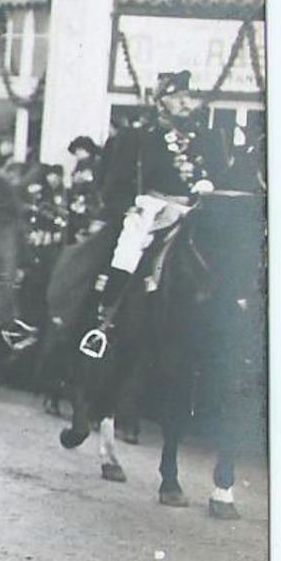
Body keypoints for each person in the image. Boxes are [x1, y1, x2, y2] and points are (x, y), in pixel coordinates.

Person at [81, 69, 223, 356]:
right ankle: (106, 322)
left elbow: (217, 175)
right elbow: (112, 186)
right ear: (161, 101)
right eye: (177, 96)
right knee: (129, 249)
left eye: (188, 96)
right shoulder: (139, 137)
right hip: (151, 210)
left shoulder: (204, 139)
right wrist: (131, 206)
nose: (185, 102)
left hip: (192, 210)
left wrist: (208, 189)